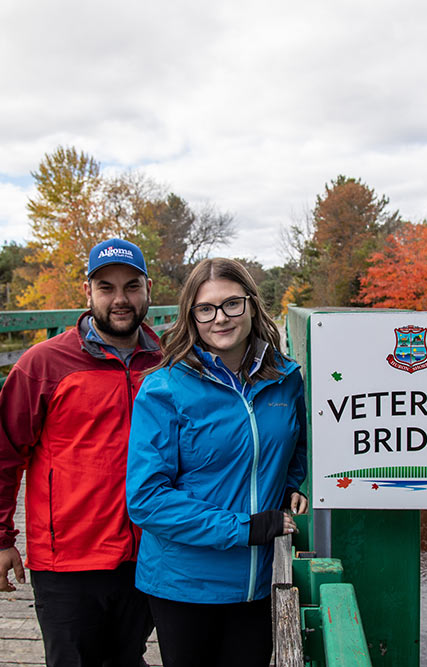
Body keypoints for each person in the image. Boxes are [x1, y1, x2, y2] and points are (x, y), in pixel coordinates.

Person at [0, 238, 160, 667]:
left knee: (128, 657)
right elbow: (1, 457)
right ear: (87, 292)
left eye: (131, 286)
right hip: (69, 559)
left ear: (148, 289)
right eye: (106, 288)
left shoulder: (169, 360)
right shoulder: (44, 364)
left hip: (150, 551)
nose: (120, 299)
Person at [125, 257, 308, 667]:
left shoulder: (286, 377)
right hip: (184, 584)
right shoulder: (164, 388)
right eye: (205, 309)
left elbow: (300, 442)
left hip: (258, 581)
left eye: (232, 304)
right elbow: (147, 500)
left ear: (252, 305)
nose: (220, 318)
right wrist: (248, 528)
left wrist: (295, 485)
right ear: (191, 316)